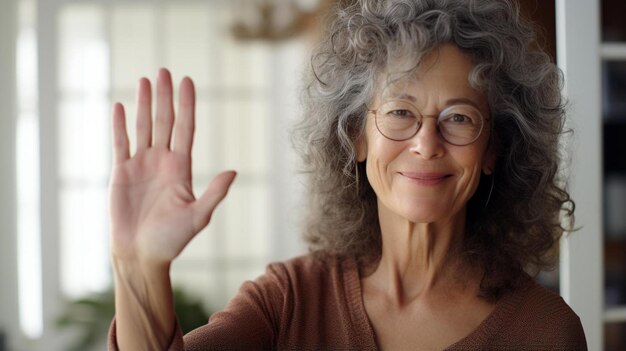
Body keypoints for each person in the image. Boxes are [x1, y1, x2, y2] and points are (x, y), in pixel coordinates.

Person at [108, 0, 587, 349]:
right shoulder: (290, 300)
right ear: (357, 137)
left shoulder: (544, 331)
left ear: (492, 150)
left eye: (459, 118)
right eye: (400, 112)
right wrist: (138, 267)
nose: (425, 142)